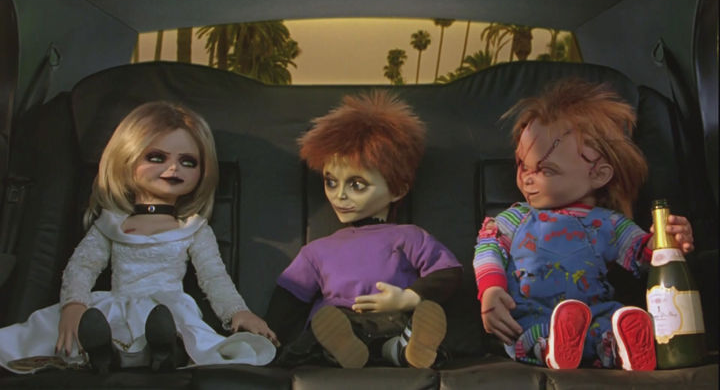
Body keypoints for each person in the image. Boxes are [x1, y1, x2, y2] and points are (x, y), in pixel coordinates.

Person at [0, 101, 277, 374]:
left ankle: (163, 350)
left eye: (188, 162)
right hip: (116, 306)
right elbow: (82, 267)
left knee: (170, 328)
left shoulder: (193, 228)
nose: (174, 168)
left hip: (168, 311)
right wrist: (74, 304)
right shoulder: (111, 225)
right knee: (96, 328)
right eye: (156, 158)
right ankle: (103, 352)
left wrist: (237, 312)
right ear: (127, 159)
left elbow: (214, 277)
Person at [473, 79, 695, 371]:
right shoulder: (518, 217)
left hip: (593, 313)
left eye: (545, 170)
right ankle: (555, 346)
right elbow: (489, 247)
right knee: (531, 334)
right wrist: (491, 289)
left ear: (598, 175)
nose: (527, 178)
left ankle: (622, 347)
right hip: (530, 314)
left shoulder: (609, 223)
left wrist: (667, 241)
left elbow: (643, 256)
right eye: (523, 166)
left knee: (613, 321)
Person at [265, 91, 463, 369]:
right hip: (342, 322)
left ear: (397, 189)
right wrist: (266, 337)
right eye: (331, 182)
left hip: (394, 320)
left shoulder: (409, 237)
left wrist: (407, 298)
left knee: (411, 326)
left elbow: (447, 271)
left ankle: (402, 349)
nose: (339, 195)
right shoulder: (317, 251)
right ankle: (361, 350)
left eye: (357, 185)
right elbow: (289, 299)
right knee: (329, 326)